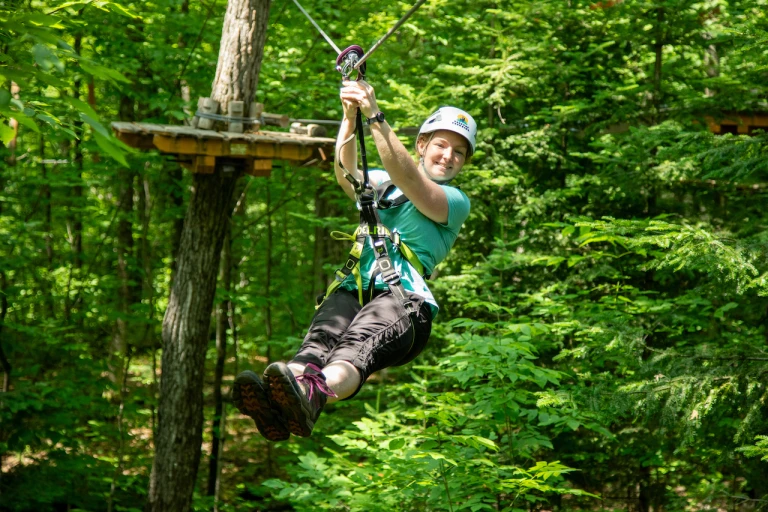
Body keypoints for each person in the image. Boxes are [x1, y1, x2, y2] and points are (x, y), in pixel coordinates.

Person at [232, 79, 477, 441]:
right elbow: (346, 173)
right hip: (354, 287)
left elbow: (410, 179)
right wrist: (350, 117)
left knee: (351, 351)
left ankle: (311, 395)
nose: (448, 156)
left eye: (459, 152)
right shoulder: (384, 184)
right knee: (314, 346)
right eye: (441, 144)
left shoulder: (454, 201)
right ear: (422, 144)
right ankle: (279, 406)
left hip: (403, 300)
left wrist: (374, 116)